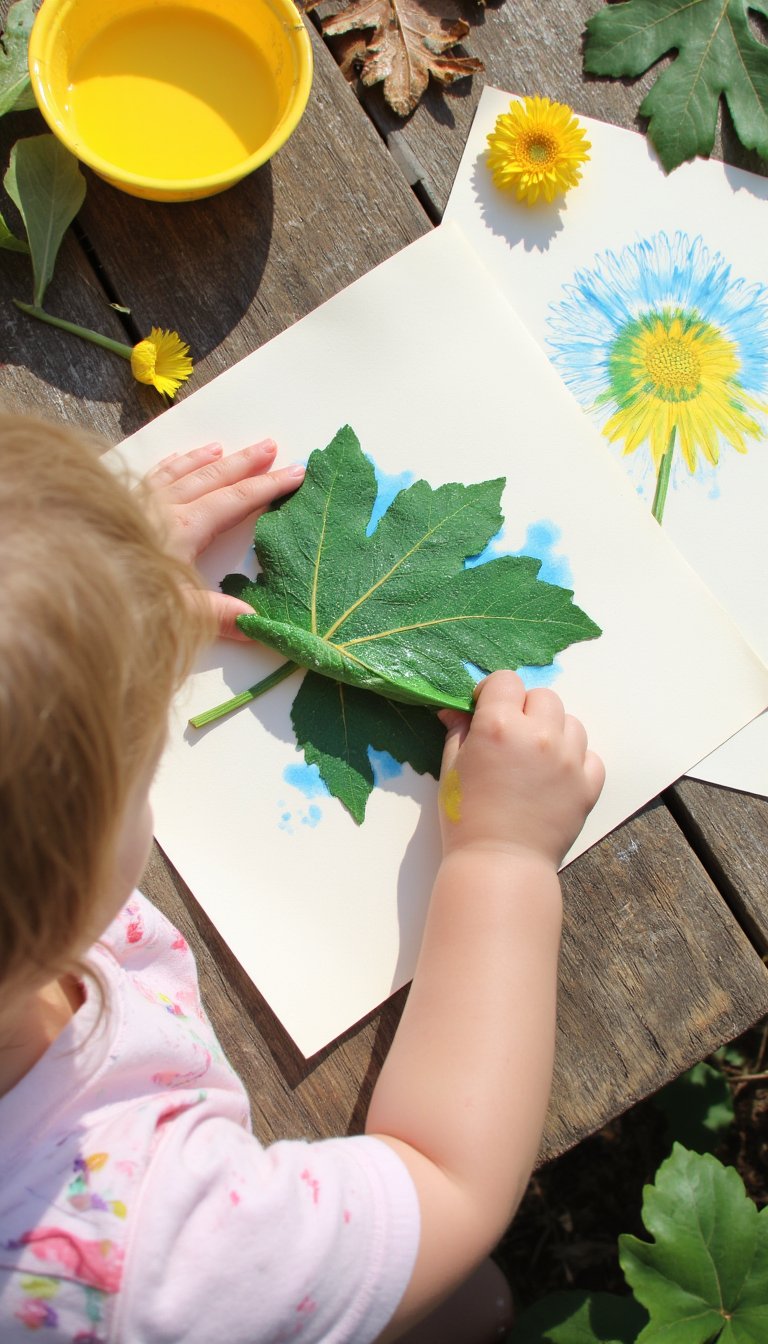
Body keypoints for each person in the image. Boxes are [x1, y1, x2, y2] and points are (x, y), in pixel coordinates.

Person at [0, 412, 604, 1343]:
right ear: (75, 874)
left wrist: (84, 584)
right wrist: (502, 859)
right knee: (458, 1296)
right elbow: (449, 1179)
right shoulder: (147, 1262)